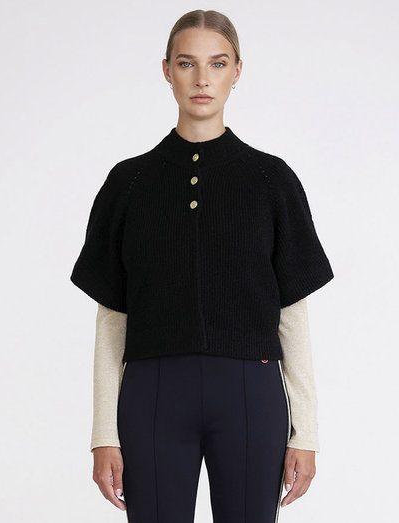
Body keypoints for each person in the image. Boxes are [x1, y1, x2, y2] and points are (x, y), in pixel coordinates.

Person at [70, 9, 334, 523]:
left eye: (217, 63)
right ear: (167, 70)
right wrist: (104, 434)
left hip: (251, 393)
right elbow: (112, 318)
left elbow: (291, 313)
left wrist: (306, 433)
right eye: (187, 63)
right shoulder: (129, 184)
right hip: (152, 394)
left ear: (237, 71)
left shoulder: (271, 180)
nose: (202, 79)